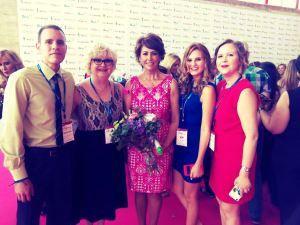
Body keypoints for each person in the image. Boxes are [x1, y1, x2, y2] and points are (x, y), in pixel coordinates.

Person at [0, 25, 75, 225]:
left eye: (60, 42)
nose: (55, 46)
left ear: (66, 48)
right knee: (28, 219)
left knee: (61, 218)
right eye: (48, 42)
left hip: (63, 157)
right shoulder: (22, 78)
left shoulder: (68, 78)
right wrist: (19, 177)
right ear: (38, 46)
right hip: (36, 160)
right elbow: (10, 129)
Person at [124, 33, 179, 225]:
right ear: (139, 57)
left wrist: (164, 145)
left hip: (161, 147)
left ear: (160, 56)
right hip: (137, 148)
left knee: (155, 191)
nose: (149, 58)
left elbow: (174, 121)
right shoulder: (132, 83)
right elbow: (127, 118)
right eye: (145, 53)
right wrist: (136, 138)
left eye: (154, 53)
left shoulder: (170, 83)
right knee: (139, 190)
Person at [73, 44, 128, 225]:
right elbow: (67, 122)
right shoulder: (78, 90)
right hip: (87, 154)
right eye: (98, 60)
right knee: (90, 205)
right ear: (89, 64)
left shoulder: (119, 89)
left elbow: (128, 117)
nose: (103, 64)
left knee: (105, 202)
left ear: (113, 65)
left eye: (108, 60)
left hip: (112, 152)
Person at [210, 39, 259, 225]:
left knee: (230, 209)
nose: (224, 59)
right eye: (220, 55)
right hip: (221, 157)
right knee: (222, 203)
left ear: (241, 59)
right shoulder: (222, 86)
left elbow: (252, 135)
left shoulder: (244, 91)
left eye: (230, 55)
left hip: (236, 163)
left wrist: (244, 172)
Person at [172, 43, 215, 225]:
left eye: (198, 59)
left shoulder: (208, 89)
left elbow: (206, 127)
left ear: (206, 62)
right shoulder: (187, 85)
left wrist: (199, 161)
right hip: (180, 146)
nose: (193, 64)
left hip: (194, 150)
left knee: (191, 197)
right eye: (189, 60)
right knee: (176, 188)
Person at [259, 56, 300, 225]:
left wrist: (260, 108)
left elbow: (274, 127)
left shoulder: (291, 96)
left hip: (291, 160)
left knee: (292, 209)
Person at [0, 49, 24, 118]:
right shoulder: (3, 84)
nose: (3, 68)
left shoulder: (23, 81)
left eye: (7, 63)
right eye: (0, 65)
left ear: (16, 63)